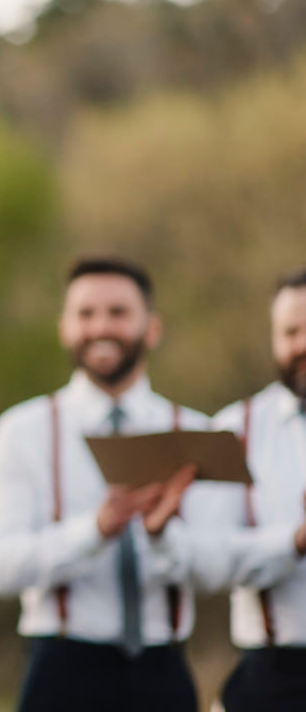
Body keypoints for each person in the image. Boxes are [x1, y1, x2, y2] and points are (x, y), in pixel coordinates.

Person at [0, 256, 206, 712]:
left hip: (165, 669)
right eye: (85, 314)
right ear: (65, 327)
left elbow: (219, 567)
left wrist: (162, 537)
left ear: (152, 328)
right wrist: (94, 530)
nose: (100, 326)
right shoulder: (21, 430)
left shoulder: (196, 432)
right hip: (61, 670)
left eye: (118, 312)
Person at [184, 267, 306, 711]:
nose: (303, 344)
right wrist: (294, 541)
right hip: (272, 680)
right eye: (292, 331)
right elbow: (208, 561)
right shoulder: (235, 429)